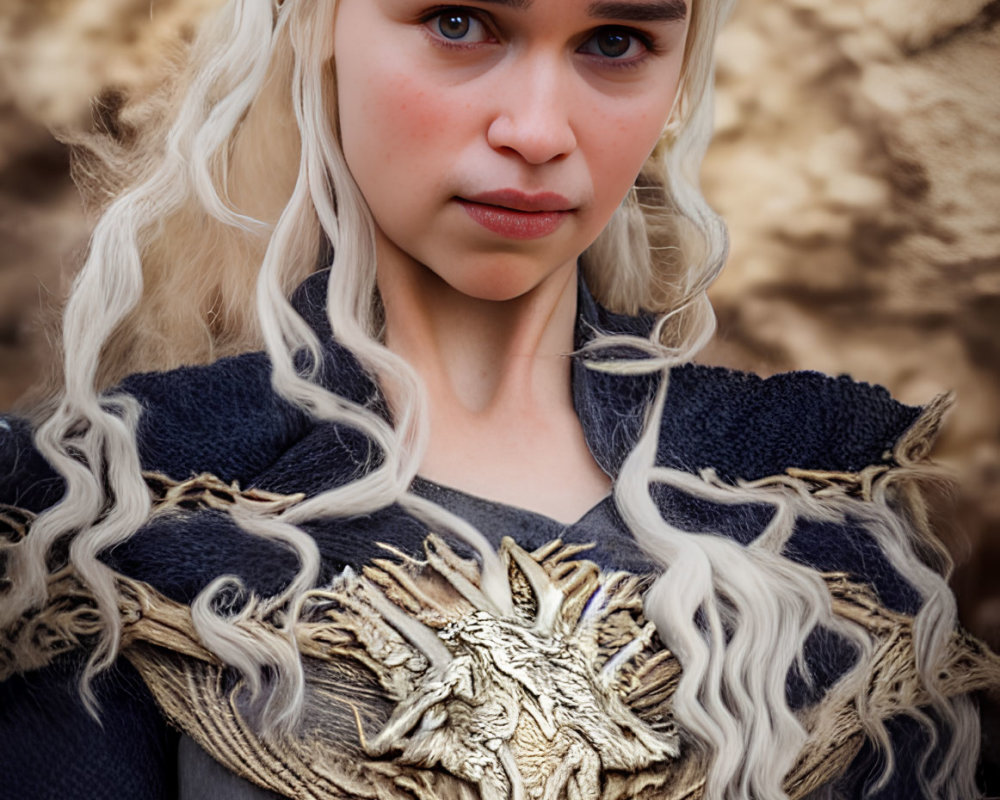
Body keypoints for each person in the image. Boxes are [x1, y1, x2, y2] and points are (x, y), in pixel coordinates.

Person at [0, 0, 996, 798]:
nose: (535, 130)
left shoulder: (821, 515)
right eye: (459, 22)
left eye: (615, 41)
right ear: (317, 26)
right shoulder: (108, 511)